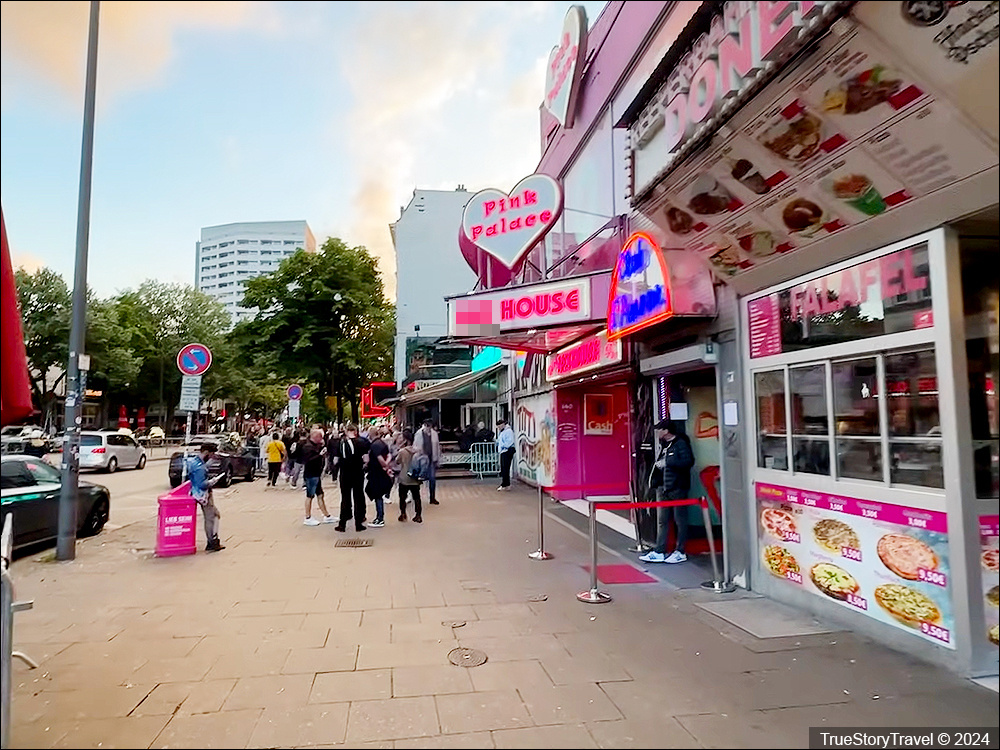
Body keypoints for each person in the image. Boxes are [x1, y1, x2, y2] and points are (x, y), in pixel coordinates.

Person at [640, 419, 695, 565]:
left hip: (677, 487)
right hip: (663, 487)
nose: (656, 433)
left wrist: (668, 463)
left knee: (679, 520)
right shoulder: (665, 445)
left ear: (666, 431)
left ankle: (680, 550)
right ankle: (660, 550)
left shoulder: (680, 444)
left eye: (659, 430)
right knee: (662, 521)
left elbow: (688, 462)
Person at [185, 442, 224, 552]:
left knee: (215, 515)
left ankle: (213, 540)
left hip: (197, 493)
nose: (212, 457)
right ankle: (212, 542)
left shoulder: (195, 462)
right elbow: (202, 484)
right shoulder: (200, 467)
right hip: (203, 495)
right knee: (211, 517)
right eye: (211, 454)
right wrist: (212, 481)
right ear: (206, 452)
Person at [335, 424, 367, 532]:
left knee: (345, 498)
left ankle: (342, 523)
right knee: (358, 497)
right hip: (357, 473)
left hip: (344, 473)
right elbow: (366, 459)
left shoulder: (340, 443)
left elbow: (335, 460)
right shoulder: (362, 442)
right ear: (356, 431)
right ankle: (359, 523)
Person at [301, 428, 337, 526]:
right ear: (315, 437)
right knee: (310, 495)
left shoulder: (314, 446)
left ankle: (327, 515)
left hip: (315, 474)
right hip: (311, 474)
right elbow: (308, 460)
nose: (321, 439)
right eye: (320, 437)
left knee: (320, 495)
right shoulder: (308, 447)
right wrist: (320, 455)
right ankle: (307, 517)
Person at [365, 426, 392, 527]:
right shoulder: (382, 443)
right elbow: (389, 455)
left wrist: (384, 465)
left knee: (377, 495)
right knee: (378, 494)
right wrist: (387, 465)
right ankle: (379, 517)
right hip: (381, 472)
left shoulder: (374, 445)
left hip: (376, 472)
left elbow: (379, 458)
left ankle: (380, 518)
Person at [396, 429, 423, 523]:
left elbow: (397, 461)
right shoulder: (418, 451)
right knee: (417, 497)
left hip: (404, 477)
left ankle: (403, 514)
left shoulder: (402, 451)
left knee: (402, 497)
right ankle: (418, 515)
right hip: (415, 477)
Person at [414, 419, 441, 504]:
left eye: (430, 426)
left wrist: (438, 459)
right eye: (428, 426)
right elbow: (415, 446)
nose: (429, 428)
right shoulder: (419, 434)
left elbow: (437, 447)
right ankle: (415, 497)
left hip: (431, 459)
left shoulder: (434, 434)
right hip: (421, 459)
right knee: (418, 479)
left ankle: (432, 497)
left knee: (432, 479)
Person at [495, 417, 516, 491]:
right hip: (503, 451)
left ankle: (505, 484)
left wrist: (503, 446)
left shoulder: (508, 431)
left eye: (499, 426)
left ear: (503, 424)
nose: (498, 428)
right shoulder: (502, 431)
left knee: (505, 467)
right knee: (504, 468)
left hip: (507, 451)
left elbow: (509, 442)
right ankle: (506, 483)